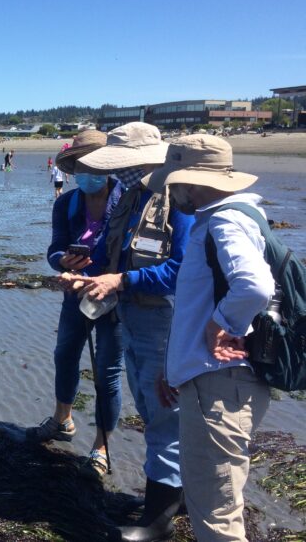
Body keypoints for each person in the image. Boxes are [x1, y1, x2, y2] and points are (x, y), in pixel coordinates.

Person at [61, 122, 195, 542]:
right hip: (131, 318)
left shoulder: (179, 202)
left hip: (166, 322)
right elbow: (107, 255)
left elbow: (183, 270)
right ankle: (181, 494)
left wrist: (121, 282)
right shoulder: (133, 198)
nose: (113, 174)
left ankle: (158, 521)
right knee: (154, 406)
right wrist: (84, 277)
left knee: (162, 414)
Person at [144, 135, 274, 542]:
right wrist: (175, 370)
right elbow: (195, 307)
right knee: (216, 499)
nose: (171, 192)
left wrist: (223, 324)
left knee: (216, 512)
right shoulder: (234, 217)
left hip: (219, 384)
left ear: (191, 181)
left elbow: (254, 287)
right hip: (215, 380)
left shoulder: (223, 221)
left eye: (174, 183)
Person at [36, 130, 124, 479]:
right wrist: (62, 263)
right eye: (80, 166)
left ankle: (101, 445)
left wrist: (112, 277)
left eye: (93, 165)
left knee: (108, 371)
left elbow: (134, 255)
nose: (86, 172)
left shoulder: (128, 201)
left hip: (115, 297)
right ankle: (63, 418)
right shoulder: (66, 203)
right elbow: (55, 248)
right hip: (74, 294)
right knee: (64, 354)